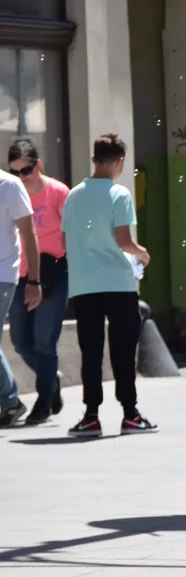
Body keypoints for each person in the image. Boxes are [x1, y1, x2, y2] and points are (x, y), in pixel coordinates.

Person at [63, 134, 156, 438]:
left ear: (93, 159)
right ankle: (130, 415)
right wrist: (141, 253)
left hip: (83, 284)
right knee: (123, 349)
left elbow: (65, 240)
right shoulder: (119, 193)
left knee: (90, 350)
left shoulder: (73, 195)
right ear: (120, 161)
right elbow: (123, 241)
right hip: (117, 281)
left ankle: (91, 417)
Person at [6, 140, 70, 425]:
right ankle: (51, 377)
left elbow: (71, 232)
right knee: (20, 341)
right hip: (19, 275)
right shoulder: (11, 191)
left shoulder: (57, 192)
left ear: (39, 164)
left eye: (27, 169)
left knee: (45, 342)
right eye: (15, 171)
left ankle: (43, 403)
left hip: (52, 273)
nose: (22, 176)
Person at [0, 166, 41, 428]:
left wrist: (34, 280)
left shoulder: (10, 186)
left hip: (3, 272)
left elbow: (29, 233)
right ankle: (11, 399)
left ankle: (12, 400)